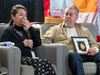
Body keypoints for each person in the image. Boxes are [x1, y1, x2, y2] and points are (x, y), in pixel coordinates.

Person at [41, 6, 100, 75]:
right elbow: (43, 41)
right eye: (66, 14)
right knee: (74, 55)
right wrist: (56, 47)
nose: (67, 16)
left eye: (71, 14)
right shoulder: (55, 29)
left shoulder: (84, 30)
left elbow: (94, 44)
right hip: (71, 55)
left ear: (76, 18)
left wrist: (94, 49)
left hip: (87, 54)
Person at [0, 4, 56, 75]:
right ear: (13, 17)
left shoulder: (26, 30)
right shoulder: (8, 31)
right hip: (18, 59)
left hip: (29, 58)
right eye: (21, 15)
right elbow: (5, 49)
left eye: (25, 15)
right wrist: (23, 44)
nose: (24, 18)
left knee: (46, 62)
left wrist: (30, 28)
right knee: (40, 63)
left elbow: (38, 43)